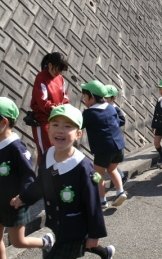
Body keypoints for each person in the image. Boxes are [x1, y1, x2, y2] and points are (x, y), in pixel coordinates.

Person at [11, 104, 115, 259]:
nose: (60, 130)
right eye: (55, 125)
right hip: (56, 224)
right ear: (48, 129)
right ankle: (105, 253)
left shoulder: (83, 167)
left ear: (78, 134)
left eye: (67, 126)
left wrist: (94, 234)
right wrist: (23, 198)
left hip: (75, 228)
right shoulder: (48, 155)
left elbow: (92, 203)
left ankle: (100, 249)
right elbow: (41, 184)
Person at [0, 97, 53, 258]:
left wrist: (23, 197)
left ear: (3, 122)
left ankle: (46, 241)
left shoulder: (16, 147)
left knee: (17, 241)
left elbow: (28, 175)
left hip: (14, 203)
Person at [81, 80, 126, 208]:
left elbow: (79, 125)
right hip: (118, 146)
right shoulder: (111, 107)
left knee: (98, 174)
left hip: (103, 149)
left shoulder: (89, 113)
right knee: (112, 169)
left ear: (92, 97)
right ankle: (120, 191)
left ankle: (102, 200)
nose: (84, 99)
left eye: (85, 96)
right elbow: (117, 121)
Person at [30, 52, 70, 165]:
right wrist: (53, 108)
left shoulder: (60, 78)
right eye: (57, 70)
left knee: (56, 151)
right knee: (45, 152)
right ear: (50, 65)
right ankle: (44, 179)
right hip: (43, 120)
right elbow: (43, 101)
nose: (58, 73)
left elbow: (65, 97)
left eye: (60, 71)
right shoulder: (41, 77)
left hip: (57, 118)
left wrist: (64, 107)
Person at [104, 85, 128, 185]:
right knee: (109, 163)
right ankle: (121, 177)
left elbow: (123, 120)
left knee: (111, 163)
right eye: (103, 97)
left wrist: (112, 121)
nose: (104, 99)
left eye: (106, 97)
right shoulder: (102, 107)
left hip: (113, 138)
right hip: (105, 138)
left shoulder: (115, 109)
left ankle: (121, 177)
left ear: (113, 98)